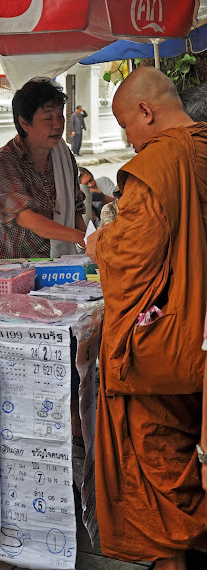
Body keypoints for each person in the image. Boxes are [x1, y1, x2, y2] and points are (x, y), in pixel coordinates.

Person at [86, 66, 207, 570]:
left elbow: (132, 258)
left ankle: (171, 556)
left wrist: (98, 244)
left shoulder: (160, 164)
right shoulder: (201, 148)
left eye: (125, 123)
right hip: (200, 333)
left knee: (155, 453)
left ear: (146, 111)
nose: (126, 138)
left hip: (168, 344)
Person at [0, 78, 86, 260]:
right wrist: (81, 238)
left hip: (52, 262)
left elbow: (76, 207)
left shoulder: (64, 155)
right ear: (24, 123)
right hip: (9, 263)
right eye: (48, 118)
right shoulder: (5, 161)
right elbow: (25, 217)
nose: (58, 124)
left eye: (60, 116)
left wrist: (94, 240)